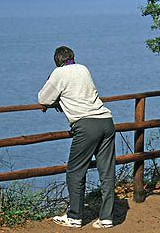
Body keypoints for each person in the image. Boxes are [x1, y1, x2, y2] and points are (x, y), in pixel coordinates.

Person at [38, 46, 115, 229]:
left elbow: (43, 98)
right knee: (107, 171)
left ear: (57, 61)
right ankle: (107, 218)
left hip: (86, 126)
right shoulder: (83, 68)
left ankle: (74, 217)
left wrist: (53, 88)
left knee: (75, 172)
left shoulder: (59, 73)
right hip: (106, 121)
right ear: (72, 57)